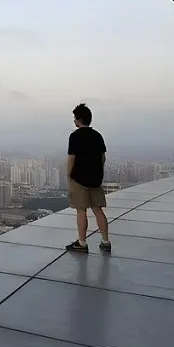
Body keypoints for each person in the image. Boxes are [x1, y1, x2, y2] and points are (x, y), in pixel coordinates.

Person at [65, 103, 111, 253]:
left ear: (79, 120)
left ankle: (82, 243)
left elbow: (72, 158)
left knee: (81, 210)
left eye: (74, 118)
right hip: (95, 180)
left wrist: (69, 175)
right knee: (98, 210)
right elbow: (103, 157)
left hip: (79, 179)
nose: (73, 121)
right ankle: (105, 241)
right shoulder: (97, 136)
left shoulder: (75, 136)